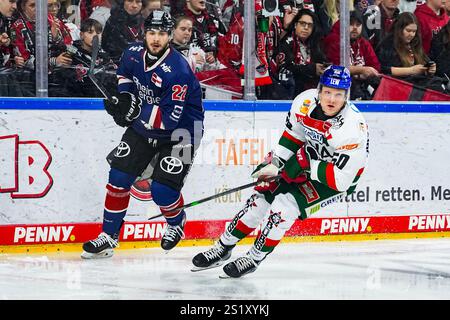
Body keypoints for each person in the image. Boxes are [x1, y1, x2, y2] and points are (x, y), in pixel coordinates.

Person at [192, 65, 369, 278]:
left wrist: (305, 165)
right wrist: (275, 164)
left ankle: (254, 257)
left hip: (335, 178)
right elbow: (293, 138)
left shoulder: (351, 128)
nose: (332, 99)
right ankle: (223, 247)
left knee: (285, 207)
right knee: (260, 198)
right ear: (319, 90)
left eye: (339, 94)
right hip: (307, 160)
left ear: (346, 96)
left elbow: (341, 180)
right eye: (328, 92)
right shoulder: (305, 103)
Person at [81, 10, 204, 259]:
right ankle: (109, 236)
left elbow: (169, 120)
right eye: (151, 33)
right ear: (144, 33)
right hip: (145, 125)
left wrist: (133, 110)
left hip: (184, 131)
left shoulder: (178, 70)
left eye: (161, 34)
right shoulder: (133, 53)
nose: (155, 39)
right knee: (118, 176)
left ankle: (176, 222)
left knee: (162, 191)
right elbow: (124, 75)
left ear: (169, 36)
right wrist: (125, 97)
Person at [271, 8, 327, 100]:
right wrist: (312, 69)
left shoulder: (315, 44)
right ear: (295, 24)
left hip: (310, 94)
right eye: (302, 24)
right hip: (289, 94)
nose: (306, 27)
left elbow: (321, 61)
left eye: (309, 25)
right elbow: (287, 68)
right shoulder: (287, 41)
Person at [324, 10, 381, 100]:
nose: (355, 28)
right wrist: (361, 70)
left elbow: (375, 67)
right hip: (337, 89)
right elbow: (336, 68)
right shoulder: (333, 40)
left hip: (361, 87)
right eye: (351, 24)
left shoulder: (363, 43)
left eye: (358, 25)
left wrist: (361, 73)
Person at [376, 12, 436, 79]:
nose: (412, 34)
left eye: (414, 31)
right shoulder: (387, 44)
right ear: (399, 29)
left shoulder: (415, 42)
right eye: (408, 30)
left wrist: (430, 69)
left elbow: (425, 61)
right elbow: (383, 69)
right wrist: (411, 70)